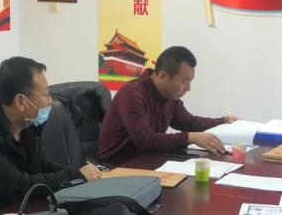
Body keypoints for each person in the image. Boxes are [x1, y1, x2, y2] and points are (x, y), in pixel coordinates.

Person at [0, 57, 101, 215]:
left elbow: (42, 165)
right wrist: (76, 176)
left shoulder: (28, 123)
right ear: (21, 101)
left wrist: (79, 173)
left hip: (19, 211)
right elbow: (19, 186)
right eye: (45, 94)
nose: (50, 101)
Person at [96, 45, 238, 161]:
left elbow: (189, 122)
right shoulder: (132, 93)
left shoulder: (169, 97)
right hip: (116, 165)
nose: (188, 89)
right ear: (162, 76)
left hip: (146, 159)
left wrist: (223, 121)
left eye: (190, 82)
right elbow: (145, 139)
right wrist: (191, 137)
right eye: (184, 82)